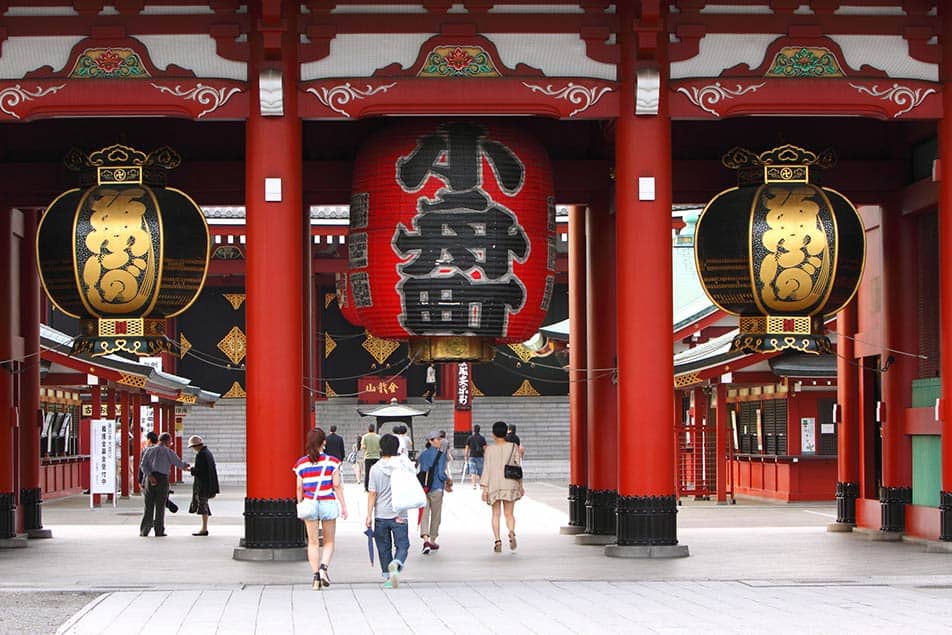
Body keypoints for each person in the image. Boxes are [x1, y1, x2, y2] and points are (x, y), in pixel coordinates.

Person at [294, 427, 348, 590]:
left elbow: (299, 488)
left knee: (312, 542)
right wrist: (344, 506)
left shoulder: (301, 463)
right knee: (329, 541)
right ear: (324, 442)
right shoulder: (332, 462)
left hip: (310, 502)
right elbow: (337, 485)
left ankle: (315, 577)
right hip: (328, 502)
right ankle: (324, 568)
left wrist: (300, 504)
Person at [366, 433, 410, 589]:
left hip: (381, 514)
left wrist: (369, 514)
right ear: (397, 448)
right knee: (403, 545)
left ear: (380, 448)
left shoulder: (375, 469)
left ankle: (388, 577)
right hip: (400, 513)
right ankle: (397, 564)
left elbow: (372, 493)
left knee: (384, 547)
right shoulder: (403, 466)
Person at [480, 421, 523, 553]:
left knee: (496, 514)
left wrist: (484, 488)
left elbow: (486, 469)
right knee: (509, 513)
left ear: (493, 434)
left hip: (494, 484)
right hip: (510, 482)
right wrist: (520, 485)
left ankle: (498, 541)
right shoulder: (513, 447)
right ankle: (511, 531)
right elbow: (518, 466)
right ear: (506, 432)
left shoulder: (489, 450)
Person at [139, 432, 189, 537]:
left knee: (148, 505)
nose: (171, 443)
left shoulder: (148, 450)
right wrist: (186, 466)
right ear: (166, 441)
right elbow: (178, 463)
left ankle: (144, 530)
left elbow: (143, 465)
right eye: (170, 441)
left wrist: (150, 476)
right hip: (162, 479)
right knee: (160, 505)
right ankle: (159, 530)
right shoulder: (168, 452)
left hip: (149, 479)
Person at [417, 430, 450, 554]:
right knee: (436, 515)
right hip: (436, 487)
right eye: (437, 439)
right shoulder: (440, 455)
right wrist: (447, 480)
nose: (439, 441)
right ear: (430, 441)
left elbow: (421, 470)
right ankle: (432, 540)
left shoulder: (423, 454)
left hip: (424, 488)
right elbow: (441, 473)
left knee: (424, 514)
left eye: (440, 439)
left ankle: (425, 539)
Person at [186, 435, 220, 536]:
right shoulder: (208, 453)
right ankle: (204, 527)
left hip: (203, 485)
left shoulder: (201, 455)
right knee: (204, 504)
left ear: (195, 446)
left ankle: (204, 528)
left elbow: (199, 471)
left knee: (203, 505)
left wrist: (190, 469)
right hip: (209, 484)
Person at [464, 424, 487, 490]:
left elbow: (467, 448)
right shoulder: (482, 438)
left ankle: (474, 485)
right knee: (481, 471)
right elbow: (485, 448)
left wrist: (466, 456)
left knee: (472, 471)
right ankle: (481, 485)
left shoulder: (470, 438)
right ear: (479, 430)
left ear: (473, 430)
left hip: (472, 456)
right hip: (480, 456)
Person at [362, 423, 381, 492]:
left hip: (368, 457)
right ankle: (377, 486)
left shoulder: (365, 437)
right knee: (377, 472)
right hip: (376, 457)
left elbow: (363, 447)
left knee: (367, 473)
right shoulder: (378, 437)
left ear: (368, 429)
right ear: (374, 429)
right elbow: (380, 447)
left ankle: (367, 487)